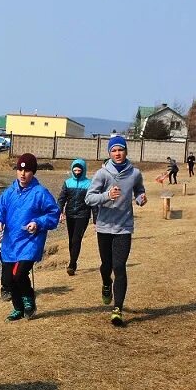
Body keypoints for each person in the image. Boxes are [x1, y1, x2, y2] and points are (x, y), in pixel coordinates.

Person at [0, 153, 60, 321]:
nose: (22, 174)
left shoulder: (40, 192)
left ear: (33, 172)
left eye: (27, 170)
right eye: (20, 170)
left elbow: (53, 214)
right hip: (10, 241)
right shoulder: (9, 192)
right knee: (8, 279)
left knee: (19, 275)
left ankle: (29, 301)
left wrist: (38, 223)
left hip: (30, 241)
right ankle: (18, 308)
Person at [85, 136, 147, 327]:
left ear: (126, 151)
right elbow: (89, 198)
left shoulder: (135, 173)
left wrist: (140, 198)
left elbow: (139, 190)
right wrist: (107, 196)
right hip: (104, 226)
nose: (118, 153)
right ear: (109, 153)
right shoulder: (102, 174)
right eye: (114, 150)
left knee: (119, 266)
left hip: (124, 227)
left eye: (121, 150)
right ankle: (106, 283)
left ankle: (117, 308)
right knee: (106, 265)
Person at [56, 158, 92, 276]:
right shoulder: (67, 183)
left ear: (83, 170)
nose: (77, 172)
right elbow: (62, 199)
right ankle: (73, 261)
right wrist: (60, 211)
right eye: (75, 170)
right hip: (70, 214)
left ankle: (72, 264)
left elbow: (93, 202)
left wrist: (96, 219)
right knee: (71, 239)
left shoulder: (89, 183)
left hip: (83, 215)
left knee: (77, 239)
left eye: (79, 170)